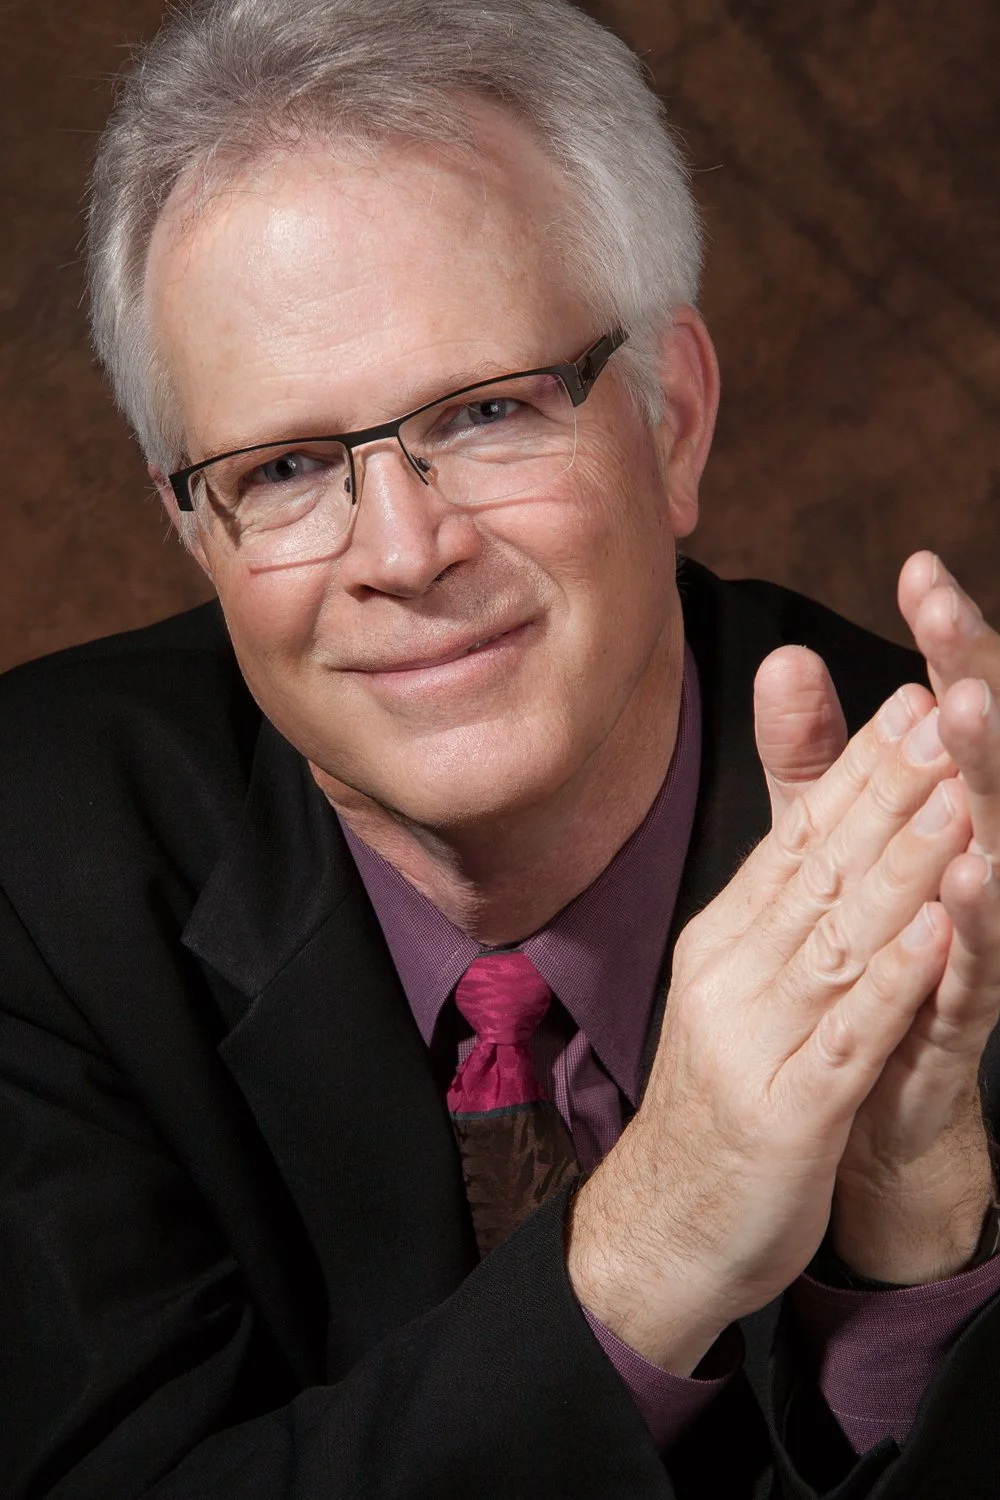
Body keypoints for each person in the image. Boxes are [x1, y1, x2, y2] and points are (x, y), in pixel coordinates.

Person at [2, 0, 999, 1495]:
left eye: (483, 414)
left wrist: (910, 1268)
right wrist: (649, 1248)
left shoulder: (964, 847)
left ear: (671, 421)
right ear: (193, 528)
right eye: (281, 468)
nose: (402, 552)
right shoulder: (30, 861)